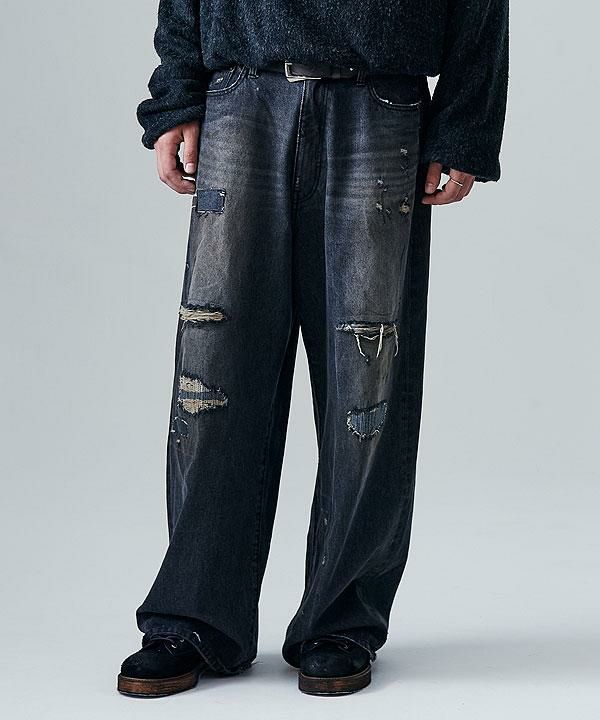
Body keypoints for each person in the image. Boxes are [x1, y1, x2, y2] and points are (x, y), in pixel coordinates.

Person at [117, 0, 509, 698]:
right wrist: (177, 92)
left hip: (379, 99)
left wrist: (465, 123)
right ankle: (194, 616)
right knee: (214, 375)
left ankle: (341, 620)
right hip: (241, 93)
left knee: (368, 380)